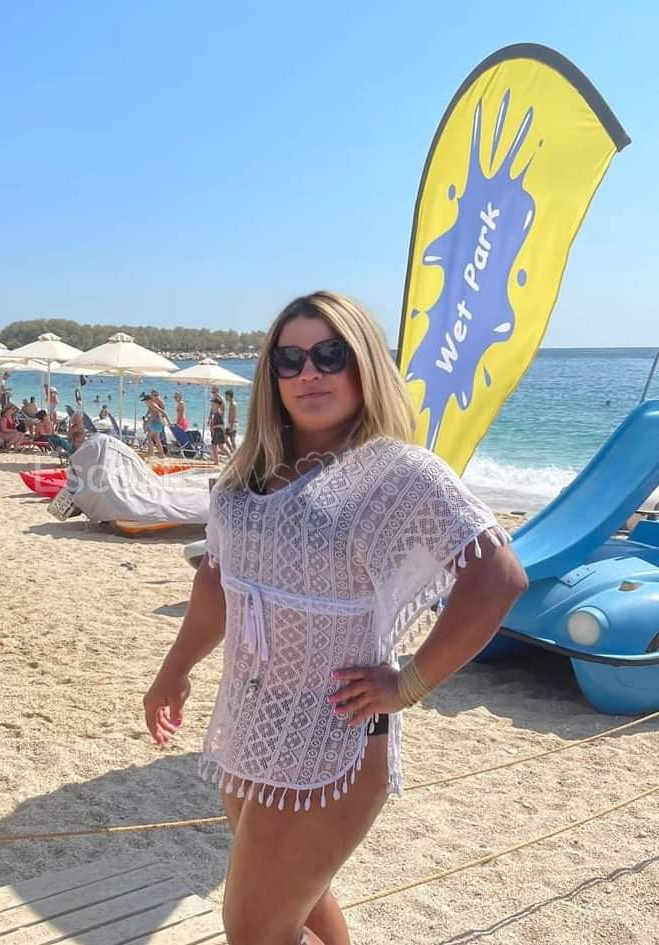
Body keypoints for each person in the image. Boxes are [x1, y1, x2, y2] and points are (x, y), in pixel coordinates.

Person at [142, 291, 527, 945]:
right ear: (271, 375)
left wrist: (408, 682)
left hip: (336, 733)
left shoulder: (396, 471)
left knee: (253, 929)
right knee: (299, 903)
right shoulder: (251, 468)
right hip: (252, 719)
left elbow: (497, 577)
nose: (309, 373)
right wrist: (175, 667)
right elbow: (218, 579)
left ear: (364, 363)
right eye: (289, 360)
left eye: (330, 354)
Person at [208, 395, 226, 464]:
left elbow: (222, 425)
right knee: (220, 446)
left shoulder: (218, 412)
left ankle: (217, 461)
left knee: (215, 445)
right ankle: (218, 460)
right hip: (217, 431)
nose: (212, 405)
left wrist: (213, 427)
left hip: (219, 431)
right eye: (212, 404)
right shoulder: (215, 412)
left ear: (217, 405)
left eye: (213, 404)